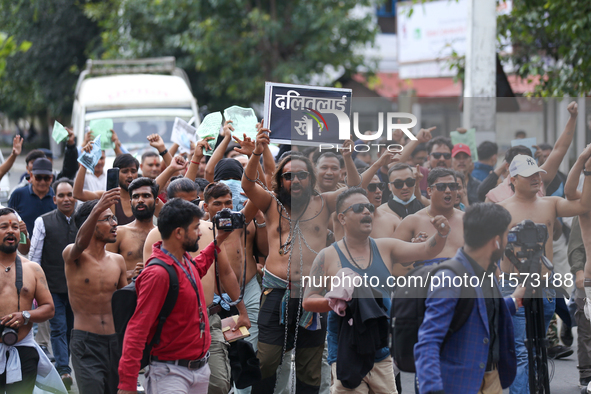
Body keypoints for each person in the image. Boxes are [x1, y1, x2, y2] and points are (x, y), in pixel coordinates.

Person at [242, 126, 360, 394]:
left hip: (312, 295)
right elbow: (247, 185)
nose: (295, 181)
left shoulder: (324, 202)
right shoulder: (271, 204)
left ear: (311, 178)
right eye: (288, 176)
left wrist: (348, 158)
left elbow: (354, 188)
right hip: (275, 293)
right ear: (280, 180)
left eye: (302, 176)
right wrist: (257, 154)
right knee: (268, 359)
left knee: (309, 365)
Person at [303, 187, 450, 393]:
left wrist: (442, 233)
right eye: (358, 208)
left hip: (381, 351)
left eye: (369, 207)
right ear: (342, 218)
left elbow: (427, 249)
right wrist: (337, 300)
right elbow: (308, 300)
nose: (366, 212)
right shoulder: (327, 256)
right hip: (346, 351)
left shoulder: (385, 247)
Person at [142, 178, 251, 394]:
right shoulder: (157, 238)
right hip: (173, 328)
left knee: (220, 384)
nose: (188, 209)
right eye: (182, 204)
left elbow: (216, 270)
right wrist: (127, 382)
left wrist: (241, 310)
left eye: (193, 202)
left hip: (208, 319)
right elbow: (142, 318)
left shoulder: (208, 229)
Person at [118, 198, 237, 394]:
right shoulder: (157, 274)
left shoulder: (182, 261)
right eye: (196, 227)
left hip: (198, 370)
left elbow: (196, 270)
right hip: (170, 375)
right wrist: (127, 384)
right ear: (179, 233)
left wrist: (219, 241)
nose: (200, 233)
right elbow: (137, 330)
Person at [498, 149, 591, 394]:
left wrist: (584, 164)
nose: (536, 178)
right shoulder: (500, 210)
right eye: (529, 175)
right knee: (520, 349)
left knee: (538, 348)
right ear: (513, 179)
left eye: (537, 173)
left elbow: (583, 204)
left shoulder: (550, 204)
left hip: (545, 287)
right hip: (512, 284)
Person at [414, 203, 524, 394]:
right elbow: (428, 341)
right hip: (459, 384)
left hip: (492, 380)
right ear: (496, 241)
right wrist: (432, 389)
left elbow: (481, 311)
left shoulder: (487, 272)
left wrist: (516, 298)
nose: (509, 242)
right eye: (507, 236)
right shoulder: (450, 278)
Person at [63, 189, 128, 394]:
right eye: (107, 219)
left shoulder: (118, 261)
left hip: (115, 342)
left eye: (114, 218)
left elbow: (124, 303)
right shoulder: (73, 256)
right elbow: (80, 243)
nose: (115, 223)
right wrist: (98, 206)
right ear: (90, 223)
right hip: (86, 343)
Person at [28, 178, 78, 389]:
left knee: (71, 330)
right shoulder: (43, 221)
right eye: (62, 195)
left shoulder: (84, 220)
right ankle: (64, 371)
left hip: (77, 289)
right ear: (54, 198)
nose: (66, 199)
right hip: (53, 288)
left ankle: (64, 364)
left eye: (70, 195)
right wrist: (34, 289)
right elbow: (34, 258)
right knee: (58, 328)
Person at [0, 207, 56, 394]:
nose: (10, 231)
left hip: (23, 349)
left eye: (15, 227)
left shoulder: (33, 269)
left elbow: (49, 308)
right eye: (3, 227)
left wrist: (25, 315)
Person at [394, 168, 465, 264]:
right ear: (429, 191)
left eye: (452, 186)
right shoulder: (413, 221)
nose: (448, 191)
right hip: (426, 276)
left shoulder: (467, 219)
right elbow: (393, 258)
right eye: (441, 187)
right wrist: (413, 250)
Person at [106, 177, 158, 281]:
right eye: (136, 196)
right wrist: (130, 274)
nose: (140, 200)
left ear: (156, 201)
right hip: (129, 294)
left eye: (146, 196)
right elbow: (105, 273)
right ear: (130, 203)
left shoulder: (162, 234)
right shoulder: (119, 233)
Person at [9, 157, 56, 237]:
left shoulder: (57, 197)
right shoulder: (18, 194)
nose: (42, 182)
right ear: (31, 176)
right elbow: (8, 220)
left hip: (50, 247)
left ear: (51, 178)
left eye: (46, 178)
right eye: (38, 177)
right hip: (23, 245)